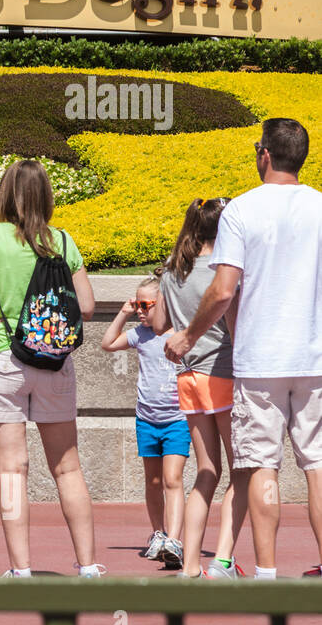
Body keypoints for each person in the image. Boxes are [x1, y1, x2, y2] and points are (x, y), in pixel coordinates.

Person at [165, 118, 322, 579]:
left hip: (260, 360)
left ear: (266, 155)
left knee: (261, 465)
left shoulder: (241, 211)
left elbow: (223, 289)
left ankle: (268, 572)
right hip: (314, 358)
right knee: (317, 463)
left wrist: (188, 336)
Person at [0, 159, 102, 577]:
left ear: (6, 194)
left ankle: (21, 570)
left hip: (4, 359)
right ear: (46, 195)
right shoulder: (63, 241)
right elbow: (85, 306)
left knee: (13, 470)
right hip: (53, 362)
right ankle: (87, 566)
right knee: (68, 467)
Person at [159, 197, 248, 578]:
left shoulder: (172, 270)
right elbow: (234, 322)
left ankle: (190, 564)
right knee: (242, 469)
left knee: (206, 470)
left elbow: (161, 322)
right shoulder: (221, 271)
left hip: (188, 377)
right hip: (222, 371)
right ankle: (222, 558)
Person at [102, 277, 187, 569]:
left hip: (177, 420)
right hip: (147, 420)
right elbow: (108, 343)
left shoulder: (180, 334)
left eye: (145, 305)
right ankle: (158, 534)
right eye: (137, 304)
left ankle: (174, 541)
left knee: (172, 480)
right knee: (152, 482)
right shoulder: (139, 334)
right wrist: (123, 313)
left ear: (163, 303)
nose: (140, 310)